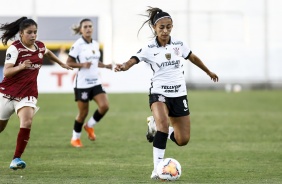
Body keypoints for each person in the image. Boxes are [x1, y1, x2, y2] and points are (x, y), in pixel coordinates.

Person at [114, 7, 219, 179]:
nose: (165, 30)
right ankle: (157, 169)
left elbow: (192, 57)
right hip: (159, 93)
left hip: (179, 95)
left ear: (172, 27)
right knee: (163, 126)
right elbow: (133, 59)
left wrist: (208, 72)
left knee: (182, 139)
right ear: (154, 28)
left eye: (168, 27)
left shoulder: (178, 45)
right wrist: (124, 66)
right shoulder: (149, 48)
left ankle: (153, 125)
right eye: (161, 27)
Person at [0, 17, 73, 170]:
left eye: (35, 32)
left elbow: (47, 52)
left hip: (28, 93)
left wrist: (61, 63)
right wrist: (20, 67)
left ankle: (16, 159)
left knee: (27, 122)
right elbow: (6, 72)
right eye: (29, 33)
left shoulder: (39, 46)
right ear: (21, 33)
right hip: (8, 93)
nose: (33, 35)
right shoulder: (15, 48)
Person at [66, 18, 112, 148]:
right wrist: (81, 64)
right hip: (82, 84)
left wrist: (106, 66)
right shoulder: (77, 45)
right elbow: (68, 62)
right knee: (83, 113)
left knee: (105, 106)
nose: (88, 28)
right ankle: (75, 138)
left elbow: (95, 62)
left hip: (95, 82)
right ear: (81, 30)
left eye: (90, 26)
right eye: (85, 26)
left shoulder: (96, 44)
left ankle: (89, 125)